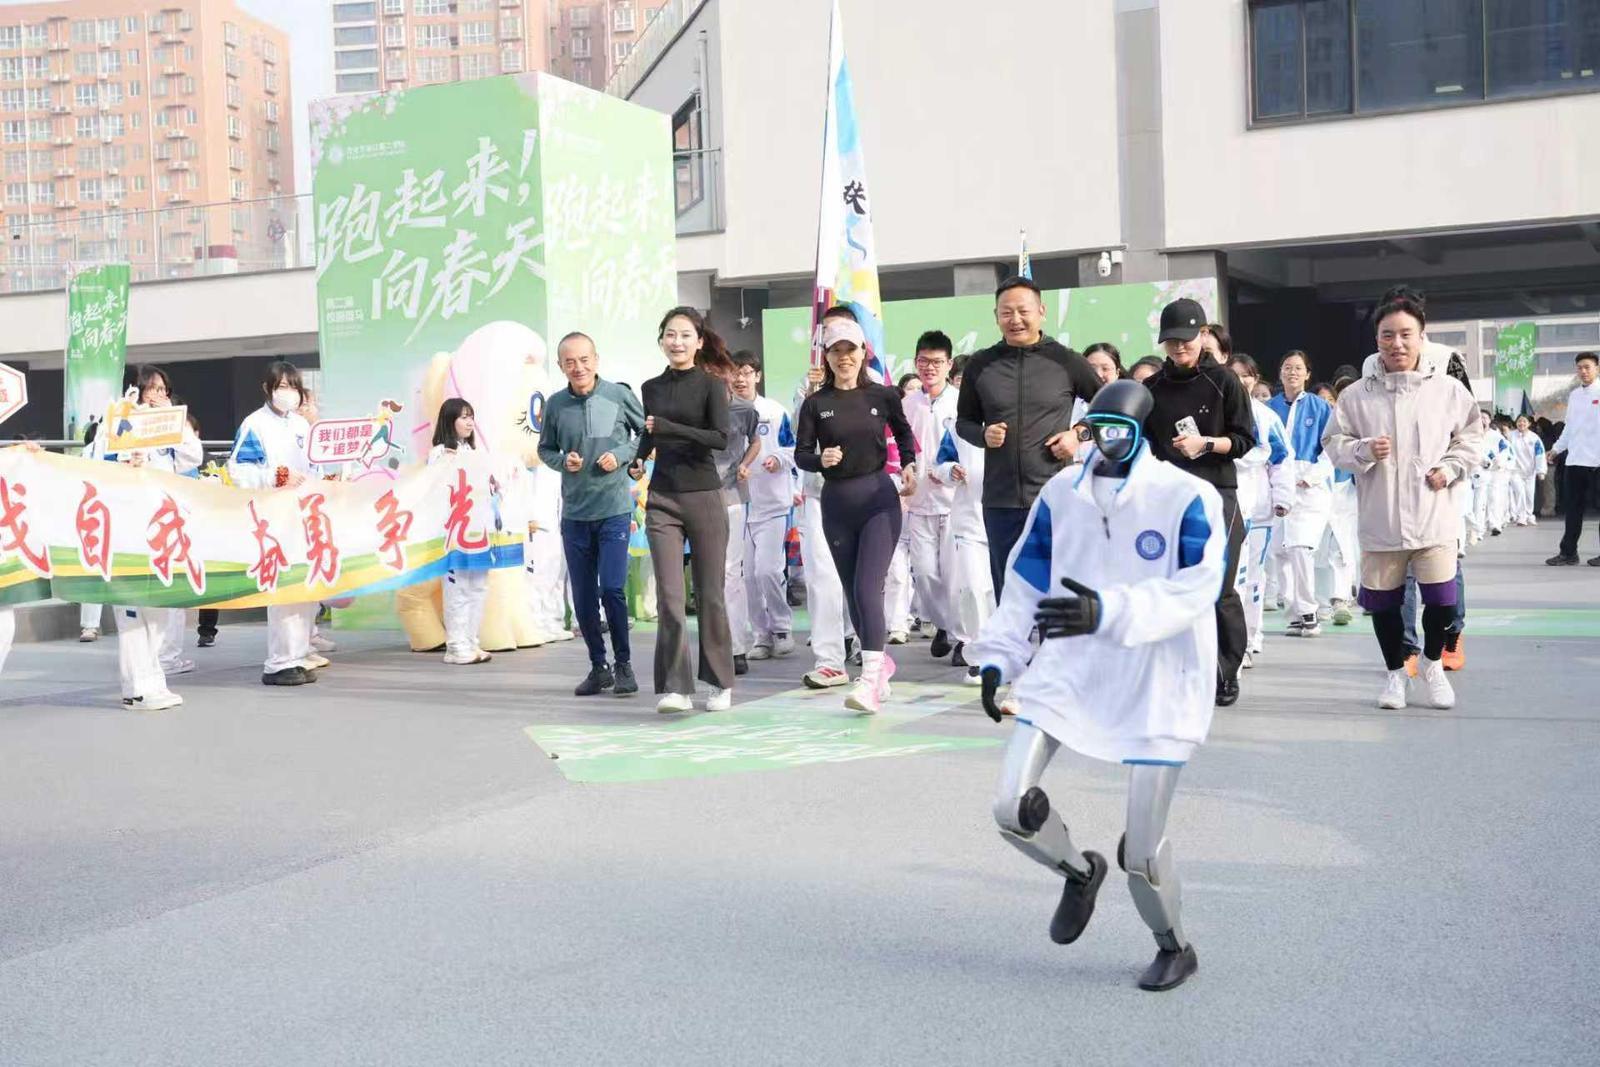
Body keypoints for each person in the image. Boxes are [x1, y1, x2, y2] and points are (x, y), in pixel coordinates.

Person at [972, 380, 1225, 992]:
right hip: (1071, 666)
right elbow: (1027, 577)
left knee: (1140, 852)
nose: (1109, 442)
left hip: (1158, 677)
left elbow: (1199, 586)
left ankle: (1173, 944)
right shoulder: (1062, 493)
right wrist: (1000, 657)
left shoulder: (1186, 496)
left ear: (1144, 432)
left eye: (1123, 431)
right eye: (1100, 429)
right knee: (1010, 807)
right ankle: (1077, 873)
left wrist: (1112, 611)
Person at [1323, 287, 1480, 711]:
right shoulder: (1357, 394)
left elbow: (1471, 437)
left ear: (1422, 336)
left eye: (1406, 334)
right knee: (1385, 606)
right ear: (1377, 340)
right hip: (1381, 519)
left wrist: (1449, 468)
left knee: (1442, 601)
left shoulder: (1448, 390)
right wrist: (1362, 451)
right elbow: (1334, 442)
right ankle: (1396, 673)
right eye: (1388, 335)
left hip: (1434, 517)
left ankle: (1431, 663)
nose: (1397, 344)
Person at [794, 317, 917, 713]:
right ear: (826, 357)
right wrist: (821, 459)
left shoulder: (882, 395)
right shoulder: (816, 403)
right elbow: (801, 454)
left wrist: (911, 467)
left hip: (879, 499)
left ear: (864, 352)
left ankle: (868, 679)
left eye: (851, 349)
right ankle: (880, 669)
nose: (844, 357)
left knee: (868, 589)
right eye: (836, 351)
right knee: (853, 596)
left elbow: (903, 434)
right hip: (836, 504)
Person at [956, 276, 1101, 594]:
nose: (1015, 319)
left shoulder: (1065, 360)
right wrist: (983, 435)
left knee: (1055, 595)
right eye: (1006, 312)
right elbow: (963, 422)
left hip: (1054, 497)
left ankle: (1054, 647)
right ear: (996, 316)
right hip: (1000, 501)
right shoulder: (982, 364)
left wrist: (1078, 434)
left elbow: (1110, 408)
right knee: (1009, 595)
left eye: (1023, 311)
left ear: (1041, 312)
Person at [1143, 299, 1256, 706]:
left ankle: (1225, 672)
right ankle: (1181, 669)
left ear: (1202, 335)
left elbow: (1244, 441)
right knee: (1174, 588)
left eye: (1186, 340)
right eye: (1171, 342)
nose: (1178, 348)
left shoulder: (1223, 381)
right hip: (1170, 501)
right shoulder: (1152, 388)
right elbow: (1141, 445)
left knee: (1219, 588)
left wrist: (1205, 443)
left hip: (1217, 496)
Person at [630, 307, 736, 713]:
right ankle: (677, 687)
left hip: (704, 496)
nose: (677, 342)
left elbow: (720, 439)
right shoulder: (651, 387)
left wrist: (670, 429)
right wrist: (638, 459)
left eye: (685, 335)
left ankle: (719, 682)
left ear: (699, 341)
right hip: (662, 499)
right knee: (671, 598)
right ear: (661, 341)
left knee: (710, 594)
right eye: (670, 335)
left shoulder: (712, 386)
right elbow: (649, 431)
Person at [540, 332, 645, 696]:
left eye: (584, 360)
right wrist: (561, 461)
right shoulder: (555, 405)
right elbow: (545, 449)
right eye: (570, 362)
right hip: (575, 516)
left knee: (612, 588)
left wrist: (623, 454)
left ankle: (624, 665)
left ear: (596, 360)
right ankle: (598, 666)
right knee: (583, 597)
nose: (578, 367)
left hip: (614, 510)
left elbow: (645, 435)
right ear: (560, 366)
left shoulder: (618, 395)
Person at [104, 365, 204, 710]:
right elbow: (99, 465)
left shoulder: (170, 429)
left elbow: (194, 457)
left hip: (163, 527)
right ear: (137, 391)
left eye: (163, 390)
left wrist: (178, 425)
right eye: (151, 390)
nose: (157, 396)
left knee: (159, 609)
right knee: (133, 612)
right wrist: (125, 458)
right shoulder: (118, 421)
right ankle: (136, 688)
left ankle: (153, 680)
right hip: (127, 529)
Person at [227, 361, 321, 687]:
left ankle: (297, 655)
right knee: (283, 588)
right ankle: (279, 662)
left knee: (303, 589)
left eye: (293, 387)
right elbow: (238, 471)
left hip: (303, 514)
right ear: (268, 389)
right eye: (282, 386)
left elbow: (315, 467)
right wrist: (275, 476)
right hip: (272, 516)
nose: (288, 393)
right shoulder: (254, 424)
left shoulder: (301, 426)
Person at [793, 305, 863, 690]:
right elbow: (798, 440)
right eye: (830, 341)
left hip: (862, 494)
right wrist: (808, 393)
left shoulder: (874, 387)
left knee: (860, 578)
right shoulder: (807, 389)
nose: (839, 353)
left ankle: (866, 645)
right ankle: (829, 659)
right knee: (822, 576)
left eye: (845, 342)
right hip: (820, 493)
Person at [1226, 354, 1292, 665]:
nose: (1241, 381)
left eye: (1246, 375)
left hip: (1260, 506)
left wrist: (1283, 498)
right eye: (1234, 375)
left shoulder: (1266, 417)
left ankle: (1251, 638)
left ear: (1255, 378)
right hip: (1227, 501)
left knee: (1253, 578)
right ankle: (1233, 643)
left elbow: (1281, 460)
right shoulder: (1217, 411)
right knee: (1232, 578)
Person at [732, 352, 798, 661]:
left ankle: (782, 628)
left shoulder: (774, 412)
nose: (741, 379)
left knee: (769, 570)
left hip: (773, 504)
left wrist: (777, 460)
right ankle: (761, 634)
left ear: (757, 376)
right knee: (747, 577)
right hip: (738, 504)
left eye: (747, 373)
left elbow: (793, 449)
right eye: (736, 373)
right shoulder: (725, 412)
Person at [931, 354, 994, 680]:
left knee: (998, 590)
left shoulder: (1013, 418)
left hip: (1006, 518)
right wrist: (949, 471)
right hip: (969, 520)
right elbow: (939, 464)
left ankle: (1005, 650)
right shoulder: (958, 428)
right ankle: (977, 653)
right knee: (972, 587)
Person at [1266, 351, 1335, 638]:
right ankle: (1293, 612)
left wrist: (1311, 477)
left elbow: (1332, 448)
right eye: (1287, 368)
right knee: (1280, 551)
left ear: (1307, 374)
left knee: (1300, 548)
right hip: (1278, 483)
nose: (1292, 372)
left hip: (1310, 488)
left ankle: (1309, 610)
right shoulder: (1268, 408)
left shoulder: (1321, 408)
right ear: (1280, 373)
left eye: (1298, 368)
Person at [902, 330, 961, 661]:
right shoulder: (907, 404)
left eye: (937, 362)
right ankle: (942, 624)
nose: (929, 368)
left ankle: (960, 636)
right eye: (923, 361)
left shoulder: (961, 402)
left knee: (955, 576)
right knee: (925, 574)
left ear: (948, 364)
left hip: (955, 505)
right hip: (919, 503)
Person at [427, 399, 493, 666]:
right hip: (453, 532)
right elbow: (433, 490)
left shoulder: (474, 451)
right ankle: (455, 646)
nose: (469, 422)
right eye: (463, 417)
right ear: (449, 420)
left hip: (477, 531)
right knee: (457, 589)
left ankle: (471, 642)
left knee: (478, 587)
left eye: (471, 416)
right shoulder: (440, 453)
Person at [711, 360, 762, 675]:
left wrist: (745, 463)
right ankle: (713, 644)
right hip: (698, 496)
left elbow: (756, 439)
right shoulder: (695, 410)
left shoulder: (745, 410)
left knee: (731, 573)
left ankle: (737, 647)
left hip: (731, 496)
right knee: (710, 576)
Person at [1548, 351, 1600, 564]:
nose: (1583, 371)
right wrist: (1556, 449)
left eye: (1587, 367)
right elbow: (1569, 427)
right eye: (1579, 367)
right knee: (1572, 511)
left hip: (1597, 462)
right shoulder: (1575, 395)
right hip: (1575, 461)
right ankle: (1569, 553)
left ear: (1597, 368)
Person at [1506, 415, 1546, 526]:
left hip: (1529, 471)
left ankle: (1529, 515)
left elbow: (1540, 454)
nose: (1521, 423)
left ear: (1529, 424)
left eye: (1524, 421)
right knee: (1519, 492)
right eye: (1519, 421)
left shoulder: (1534, 438)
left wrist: (1540, 470)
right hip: (1515, 470)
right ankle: (1521, 516)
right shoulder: (1510, 436)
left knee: (1529, 494)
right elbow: (1506, 452)